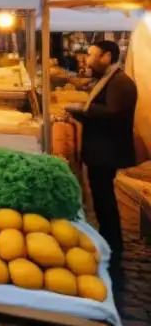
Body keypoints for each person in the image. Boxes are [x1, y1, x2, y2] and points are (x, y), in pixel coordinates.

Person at [65, 40, 139, 270]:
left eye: (91, 55)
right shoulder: (108, 80)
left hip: (107, 152)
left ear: (107, 57)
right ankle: (109, 241)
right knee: (101, 197)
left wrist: (82, 110)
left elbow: (115, 114)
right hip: (101, 151)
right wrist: (81, 113)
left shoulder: (121, 83)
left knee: (105, 199)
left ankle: (112, 246)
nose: (87, 60)